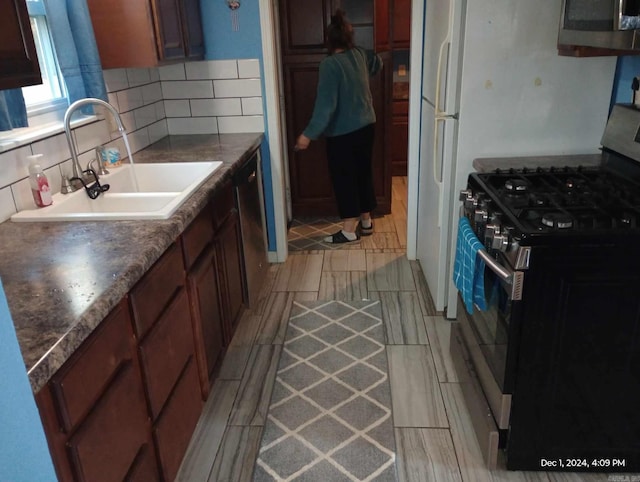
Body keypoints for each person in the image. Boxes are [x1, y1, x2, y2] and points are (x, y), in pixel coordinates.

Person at [295, 9, 383, 244]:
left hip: (343, 134)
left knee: (345, 178)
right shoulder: (360, 55)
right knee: (362, 173)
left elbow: (326, 106)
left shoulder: (330, 65)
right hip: (367, 126)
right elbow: (378, 63)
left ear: (329, 40)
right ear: (348, 38)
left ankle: (348, 231)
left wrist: (307, 135)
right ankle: (366, 221)